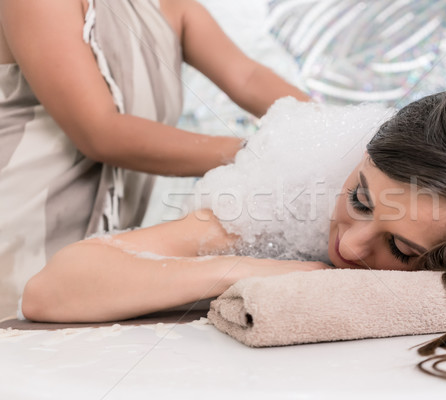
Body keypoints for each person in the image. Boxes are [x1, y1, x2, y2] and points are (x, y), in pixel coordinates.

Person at [22, 88, 446, 397]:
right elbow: (50, 292)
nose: (350, 246)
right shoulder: (293, 187)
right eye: (361, 199)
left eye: (401, 251)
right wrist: (238, 271)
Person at [0, 0, 310, 317]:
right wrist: (263, 154)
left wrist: (335, 136)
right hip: (19, 229)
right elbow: (100, 132)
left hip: (90, 255)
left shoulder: (172, 7)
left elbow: (247, 76)